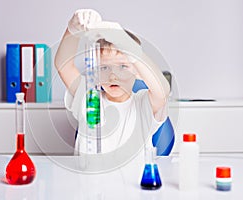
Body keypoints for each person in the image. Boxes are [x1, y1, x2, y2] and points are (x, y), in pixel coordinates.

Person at [54, 9, 170, 155]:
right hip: (89, 176)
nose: (113, 76)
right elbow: (63, 65)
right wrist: (72, 30)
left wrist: (131, 49)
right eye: (104, 67)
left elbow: (163, 91)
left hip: (135, 177)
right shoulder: (89, 98)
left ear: (139, 72)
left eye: (123, 67)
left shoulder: (143, 104)